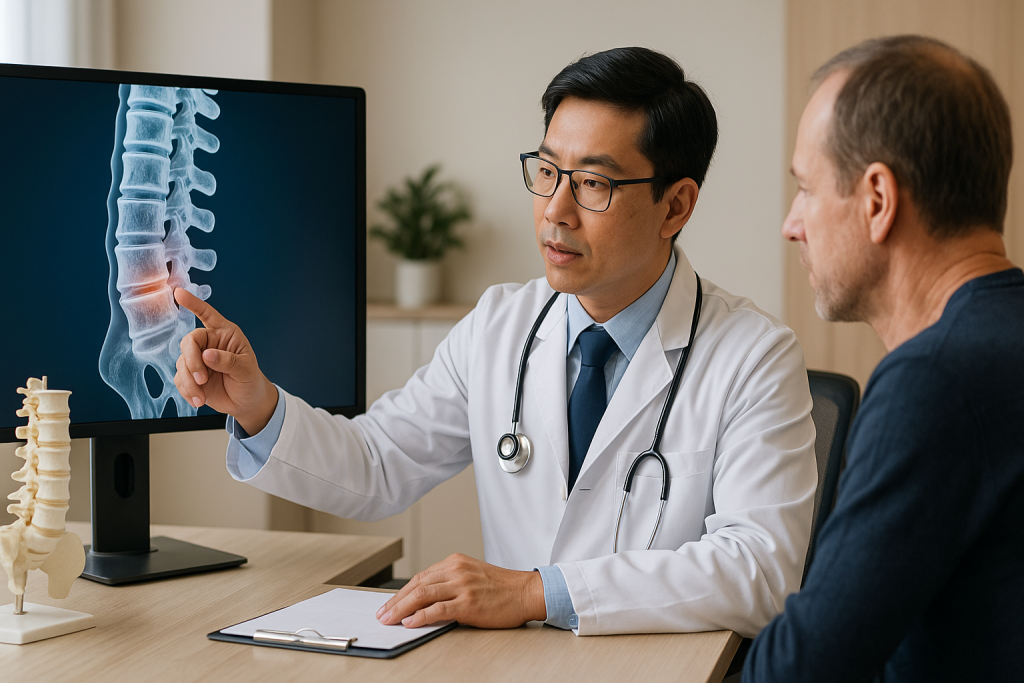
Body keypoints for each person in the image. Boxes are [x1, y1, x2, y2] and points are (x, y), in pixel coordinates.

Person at [173, 47, 818, 636]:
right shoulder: (500, 325)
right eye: (547, 171)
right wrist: (257, 406)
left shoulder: (753, 355)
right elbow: (377, 465)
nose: (555, 211)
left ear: (675, 207)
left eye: (594, 184)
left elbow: (760, 571)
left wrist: (539, 592)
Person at [744, 35, 1024, 681]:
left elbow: (801, 668)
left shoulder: (935, 380)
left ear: (877, 199)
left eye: (806, 190)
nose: (792, 224)